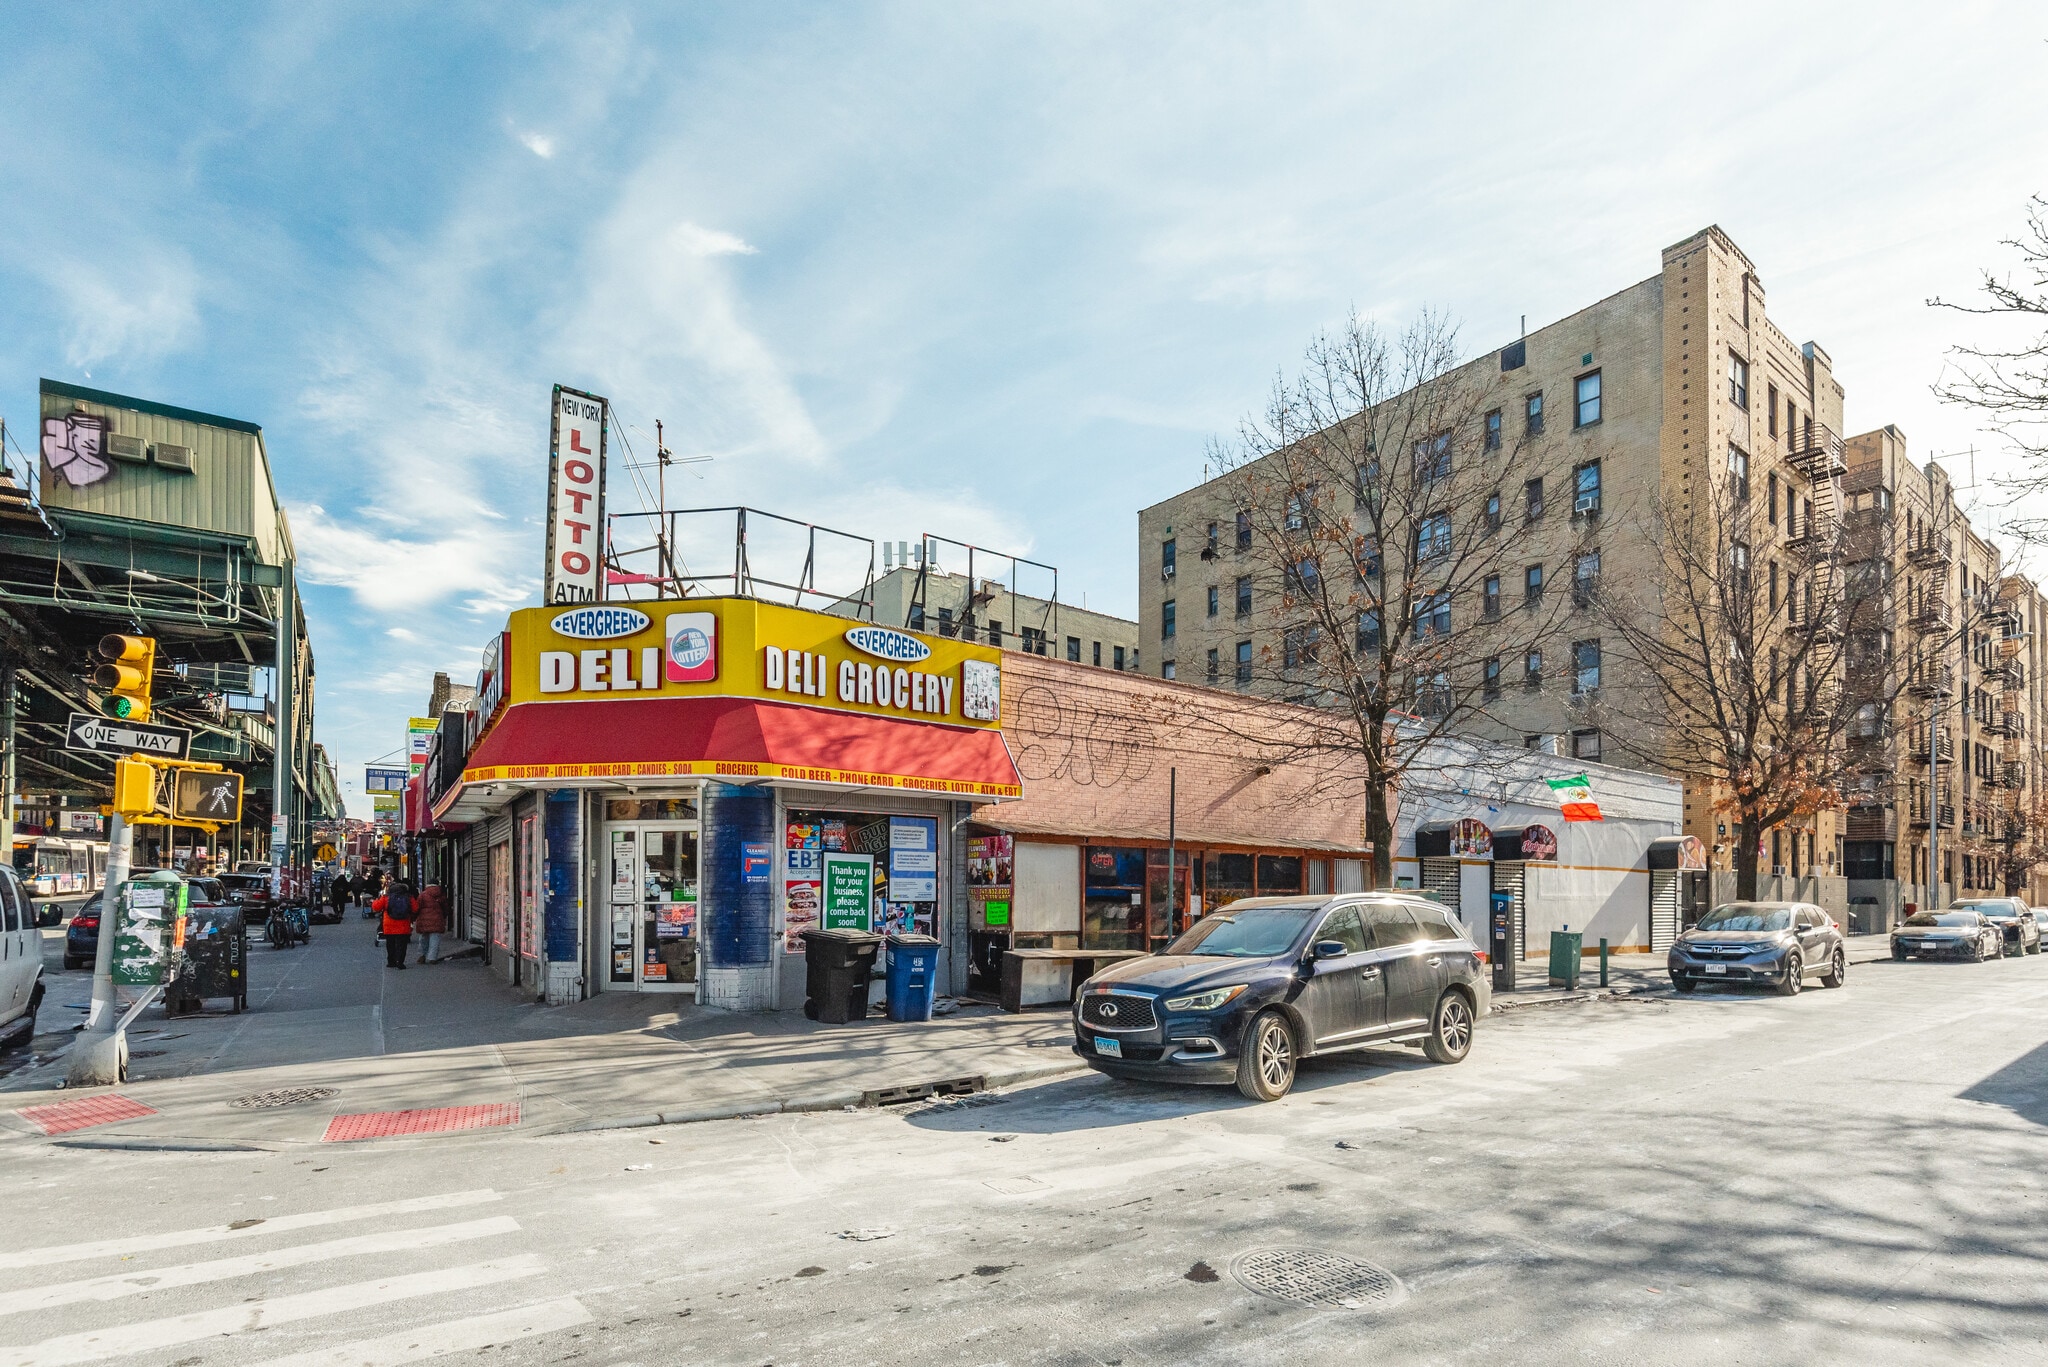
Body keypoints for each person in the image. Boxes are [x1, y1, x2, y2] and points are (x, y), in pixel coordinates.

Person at [374, 879, 416, 969]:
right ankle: (400, 962)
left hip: (389, 925)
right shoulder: (408, 897)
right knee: (402, 945)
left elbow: (376, 907)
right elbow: (415, 908)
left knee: (390, 944)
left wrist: (375, 901)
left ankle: (391, 961)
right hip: (403, 925)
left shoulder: (386, 897)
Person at [414, 882, 448, 964]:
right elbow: (445, 908)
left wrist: (414, 917)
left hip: (424, 920)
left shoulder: (422, 895)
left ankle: (422, 955)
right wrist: (443, 916)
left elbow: (417, 907)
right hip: (437, 920)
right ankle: (432, 958)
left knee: (423, 939)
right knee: (435, 939)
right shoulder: (441, 895)